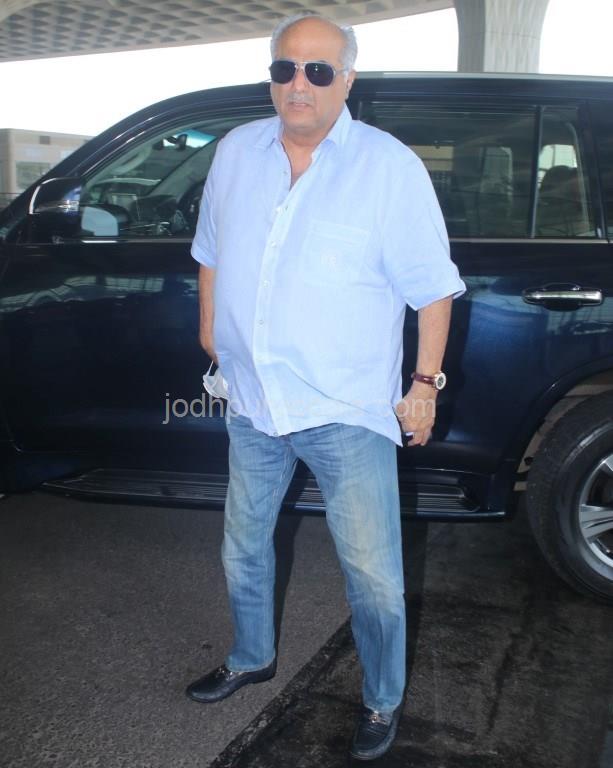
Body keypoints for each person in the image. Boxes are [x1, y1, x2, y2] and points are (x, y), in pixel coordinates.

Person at [186, 12, 465, 761]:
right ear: (271, 76)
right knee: (243, 548)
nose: (299, 85)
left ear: (347, 80)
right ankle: (251, 656)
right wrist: (211, 329)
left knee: (373, 578)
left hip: (344, 407)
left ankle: (381, 699)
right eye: (285, 69)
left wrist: (423, 384)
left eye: (317, 70)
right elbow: (210, 250)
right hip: (252, 397)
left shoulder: (388, 167)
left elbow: (433, 289)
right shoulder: (236, 152)